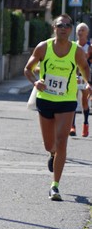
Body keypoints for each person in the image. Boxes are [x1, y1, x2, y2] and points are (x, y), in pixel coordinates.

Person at [24, 14, 92, 201]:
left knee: (62, 140)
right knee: (49, 144)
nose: (64, 28)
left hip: (67, 100)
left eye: (68, 25)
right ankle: (52, 153)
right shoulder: (43, 47)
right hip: (45, 99)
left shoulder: (76, 51)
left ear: (71, 29)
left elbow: (85, 68)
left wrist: (89, 84)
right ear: (54, 27)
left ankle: (55, 186)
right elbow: (28, 69)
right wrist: (36, 82)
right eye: (60, 25)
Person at [69, 22, 92, 137]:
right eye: (79, 30)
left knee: (84, 100)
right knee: (73, 100)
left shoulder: (90, 47)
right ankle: (72, 126)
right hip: (74, 76)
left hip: (86, 77)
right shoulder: (73, 46)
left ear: (87, 33)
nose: (80, 32)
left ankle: (85, 124)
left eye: (83, 30)